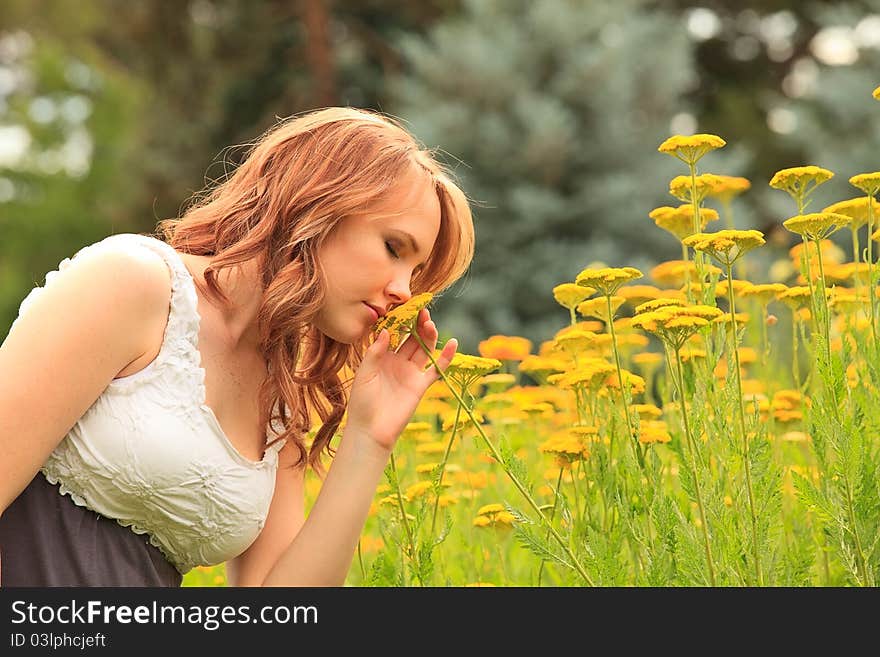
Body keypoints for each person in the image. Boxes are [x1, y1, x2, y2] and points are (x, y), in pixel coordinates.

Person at [0, 106, 475, 586]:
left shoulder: (281, 400)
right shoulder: (133, 284)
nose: (404, 291)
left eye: (415, 274)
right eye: (395, 249)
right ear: (318, 205)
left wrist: (370, 439)